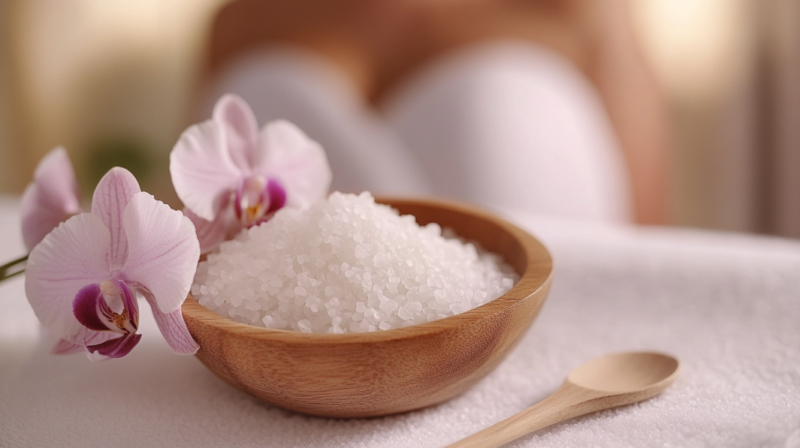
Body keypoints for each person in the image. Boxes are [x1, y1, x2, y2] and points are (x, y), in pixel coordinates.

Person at [198, 0, 670, 225]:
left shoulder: (580, 12)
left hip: (542, 396)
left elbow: (648, 252)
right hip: (284, 390)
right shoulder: (243, 20)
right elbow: (191, 230)